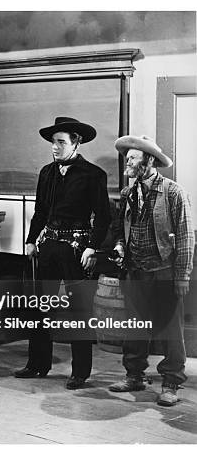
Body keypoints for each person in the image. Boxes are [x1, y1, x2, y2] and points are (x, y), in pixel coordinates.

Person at [15, 116, 111, 389]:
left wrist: (92, 246)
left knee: (79, 309)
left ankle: (80, 372)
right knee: (39, 308)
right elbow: (40, 212)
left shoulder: (93, 175)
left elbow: (103, 216)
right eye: (52, 143)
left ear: (76, 143)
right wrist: (31, 240)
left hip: (77, 249)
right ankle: (37, 365)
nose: (55, 148)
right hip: (49, 247)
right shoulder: (46, 173)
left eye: (60, 142)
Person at [108, 135, 194, 406]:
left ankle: (171, 383)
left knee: (170, 330)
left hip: (165, 272)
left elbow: (185, 237)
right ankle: (134, 375)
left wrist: (182, 276)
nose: (128, 161)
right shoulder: (128, 193)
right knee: (134, 327)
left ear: (149, 160)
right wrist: (121, 246)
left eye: (133, 157)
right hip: (136, 271)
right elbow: (121, 230)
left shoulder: (173, 192)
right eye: (127, 157)